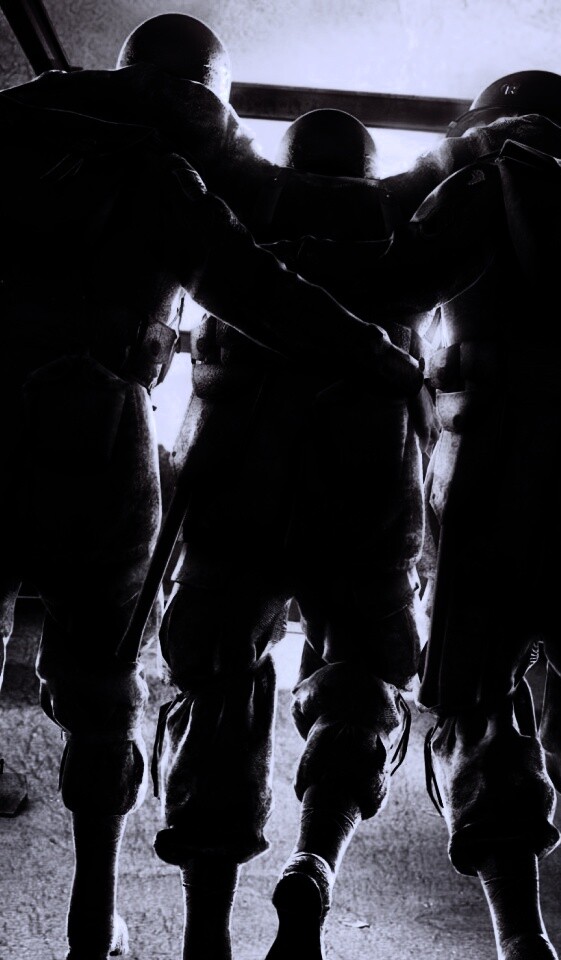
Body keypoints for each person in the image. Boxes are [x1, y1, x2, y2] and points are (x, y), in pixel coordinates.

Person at [0, 30, 424, 960]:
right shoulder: (168, 168)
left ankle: (168, 916)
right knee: (104, 684)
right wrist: (381, 355)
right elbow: (255, 287)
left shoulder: (10, 127)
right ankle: (93, 915)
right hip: (98, 417)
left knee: (211, 663)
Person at [291, 70, 561, 960]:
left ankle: (522, 940)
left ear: (486, 121)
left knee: (477, 709)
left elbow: (382, 288)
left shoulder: (478, 181)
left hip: (489, 483)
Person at [151, 106, 435, 960]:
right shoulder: (403, 229)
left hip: (239, 463)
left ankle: (206, 931)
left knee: (216, 676)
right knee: (366, 672)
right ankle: (314, 862)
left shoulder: (235, 210)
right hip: (366, 466)